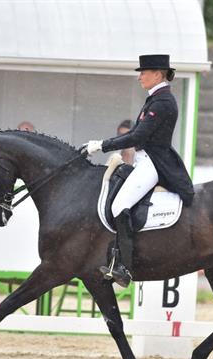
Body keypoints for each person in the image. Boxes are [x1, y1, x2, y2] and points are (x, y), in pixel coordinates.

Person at [83, 54, 194, 287]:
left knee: (119, 205)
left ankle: (124, 266)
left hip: (154, 162)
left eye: (143, 73)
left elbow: (138, 136)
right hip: (144, 160)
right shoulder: (155, 98)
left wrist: (101, 145)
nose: (140, 77)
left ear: (157, 74)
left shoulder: (163, 102)